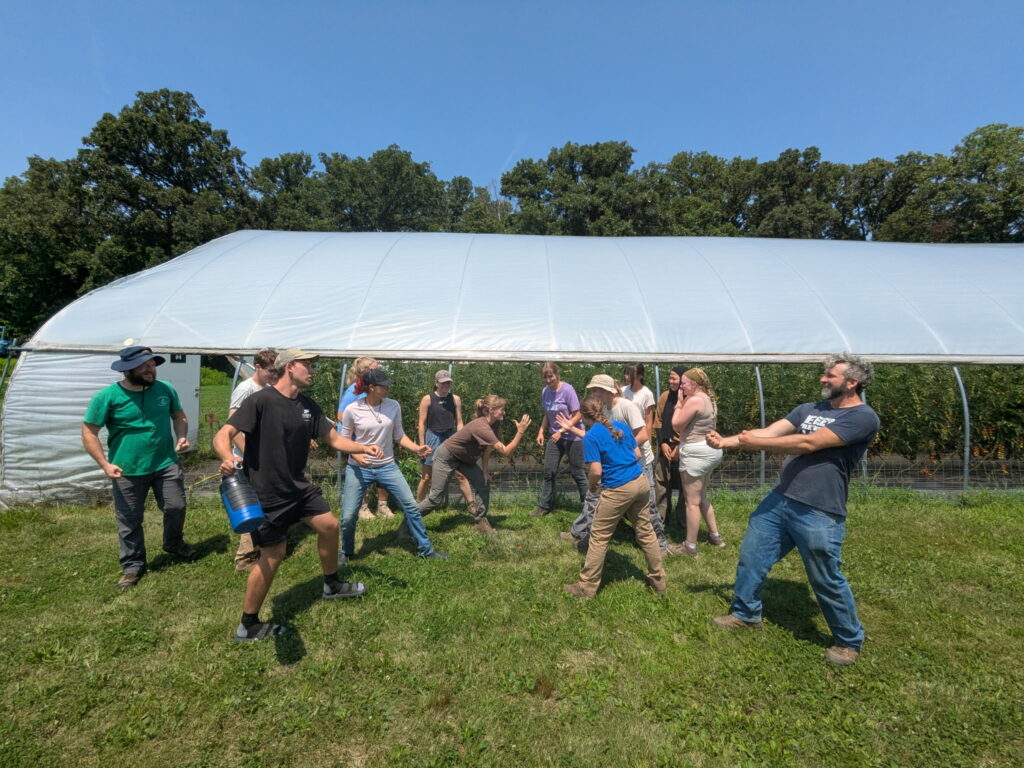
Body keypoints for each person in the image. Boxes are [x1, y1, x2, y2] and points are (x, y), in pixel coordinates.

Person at [707, 354, 879, 667]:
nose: (823, 379)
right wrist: (726, 443)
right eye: (824, 373)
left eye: (831, 375)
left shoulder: (863, 417)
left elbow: (808, 444)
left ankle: (848, 640)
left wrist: (753, 443)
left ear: (852, 382)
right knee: (752, 556)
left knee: (825, 575)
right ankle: (745, 614)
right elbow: (772, 431)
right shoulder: (809, 409)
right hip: (780, 498)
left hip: (819, 508)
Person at [214, 349, 383, 642]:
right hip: (267, 492)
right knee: (273, 555)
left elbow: (334, 439)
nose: (313, 370)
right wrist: (227, 457)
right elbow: (223, 434)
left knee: (329, 525)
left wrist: (362, 447)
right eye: (308, 365)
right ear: (290, 367)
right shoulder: (261, 400)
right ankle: (248, 625)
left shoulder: (308, 405)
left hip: (298, 487)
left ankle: (331, 585)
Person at [82, 345, 195, 590]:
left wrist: (181, 436)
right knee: (130, 519)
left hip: (165, 463)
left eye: (152, 364)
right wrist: (104, 464)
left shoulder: (165, 389)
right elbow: (89, 431)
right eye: (143, 366)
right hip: (126, 470)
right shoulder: (107, 396)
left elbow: (179, 416)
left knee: (176, 506)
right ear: (127, 370)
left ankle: (173, 543)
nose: (150, 369)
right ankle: (133, 565)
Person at [339, 368, 448, 565]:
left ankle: (426, 550)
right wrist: (357, 455)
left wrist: (417, 448)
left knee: (411, 507)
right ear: (371, 387)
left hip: (387, 466)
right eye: (384, 386)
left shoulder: (393, 406)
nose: (388, 388)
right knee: (348, 516)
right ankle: (346, 552)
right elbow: (344, 440)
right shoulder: (352, 410)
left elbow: (399, 435)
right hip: (358, 468)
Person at [561, 397, 667, 599]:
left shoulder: (591, 437)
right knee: (645, 532)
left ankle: (587, 586)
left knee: (599, 537)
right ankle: (658, 581)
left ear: (583, 416)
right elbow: (637, 454)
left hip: (618, 489)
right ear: (602, 409)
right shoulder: (620, 426)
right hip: (640, 482)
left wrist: (592, 485)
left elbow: (596, 471)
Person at [561, 374, 672, 554]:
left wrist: (624, 451)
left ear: (607, 391)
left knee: (648, 507)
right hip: (614, 464)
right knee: (593, 497)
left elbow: (644, 434)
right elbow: (599, 437)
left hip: (638, 463)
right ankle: (580, 532)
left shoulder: (627, 407)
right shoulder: (603, 410)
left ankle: (659, 545)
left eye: (595, 390)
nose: (593, 394)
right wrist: (571, 428)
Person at [418, 396, 531, 535]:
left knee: (483, 482)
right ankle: (409, 520)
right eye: (502, 409)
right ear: (491, 410)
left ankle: (480, 522)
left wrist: (485, 471)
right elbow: (506, 452)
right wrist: (520, 432)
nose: (504, 412)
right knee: (436, 498)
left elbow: (487, 448)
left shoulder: (494, 423)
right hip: (446, 456)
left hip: (463, 458)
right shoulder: (481, 426)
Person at [228, 347, 278, 572]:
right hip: (248, 459)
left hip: (264, 457)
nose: (274, 375)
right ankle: (245, 557)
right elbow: (233, 427)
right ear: (257, 367)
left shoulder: (267, 388)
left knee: (265, 502)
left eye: (277, 371)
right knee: (251, 505)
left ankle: (263, 546)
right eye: (270, 371)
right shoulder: (246, 389)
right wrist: (250, 455)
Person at [670, 368, 726, 556]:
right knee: (701, 496)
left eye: (684, 383)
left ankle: (690, 546)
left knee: (691, 503)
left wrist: (679, 404)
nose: (681, 387)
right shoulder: (709, 399)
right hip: (710, 452)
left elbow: (677, 425)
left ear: (694, 384)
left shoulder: (695, 400)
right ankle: (715, 536)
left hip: (696, 454)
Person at [337, 357, 392, 521]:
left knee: (383, 466)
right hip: (357, 440)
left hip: (375, 439)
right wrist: (358, 434)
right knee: (360, 472)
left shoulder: (376, 389)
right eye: (374, 369)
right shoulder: (353, 390)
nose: (378, 371)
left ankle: (382, 506)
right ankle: (363, 508)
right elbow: (340, 415)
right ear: (364, 371)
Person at [531, 362, 588, 517]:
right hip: (555, 436)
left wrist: (563, 430)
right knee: (549, 471)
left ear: (557, 374)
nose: (548, 380)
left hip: (574, 437)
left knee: (577, 472)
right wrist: (541, 431)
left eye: (551, 376)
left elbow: (578, 414)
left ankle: (588, 506)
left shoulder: (568, 390)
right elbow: (547, 414)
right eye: (545, 377)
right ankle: (544, 506)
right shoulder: (545, 391)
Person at [416, 370, 473, 505]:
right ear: (436, 383)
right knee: (426, 476)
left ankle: (472, 505)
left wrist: (461, 441)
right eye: (443, 383)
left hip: (450, 436)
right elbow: (421, 424)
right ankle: (417, 506)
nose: (446, 385)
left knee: (460, 474)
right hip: (432, 436)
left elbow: (459, 421)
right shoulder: (427, 399)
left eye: (448, 383)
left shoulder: (455, 399)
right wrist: (422, 445)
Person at [654, 366, 688, 529]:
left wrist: (679, 446)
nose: (670, 381)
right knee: (661, 483)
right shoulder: (665, 396)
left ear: (683, 380)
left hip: (684, 447)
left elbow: (691, 426)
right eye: (670, 378)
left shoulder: (691, 399)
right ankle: (661, 519)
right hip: (666, 446)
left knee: (685, 486)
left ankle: (683, 521)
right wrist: (663, 442)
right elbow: (658, 421)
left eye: (674, 378)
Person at [622, 363, 656, 442]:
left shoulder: (647, 394)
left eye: (630, 374)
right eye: (626, 373)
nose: (627, 377)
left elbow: (649, 420)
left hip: (639, 434)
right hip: (624, 433)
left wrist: (648, 441)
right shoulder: (622, 391)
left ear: (640, 376)